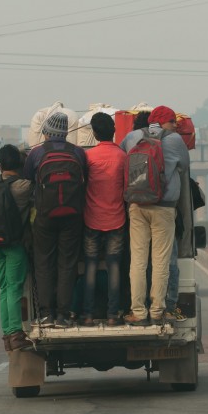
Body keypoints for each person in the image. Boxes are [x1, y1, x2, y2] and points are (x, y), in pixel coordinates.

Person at [120, 105, 190, 326]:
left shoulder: (132, 137)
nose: (175, 126)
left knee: (138, 261)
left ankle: (138, 313)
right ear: (163, 123)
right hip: (164, 207)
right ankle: (158, 310)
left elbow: (122, 161)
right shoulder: (175, 140)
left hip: (137, 206)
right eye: (172, 122)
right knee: (161, 261)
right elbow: (185, 166)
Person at [23, 112, 88, 328]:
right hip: (73, 216)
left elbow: (28, 181)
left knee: (44, 263)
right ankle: (63, 315)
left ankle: (46, 314)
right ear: (65, 133)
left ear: (47, 132)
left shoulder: (36, 153)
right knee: (67, 264)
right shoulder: (78, 153)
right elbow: (84, 180)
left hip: (44, 217)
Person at [0, 144, 34, 351]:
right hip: (15, 245)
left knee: (4, 288)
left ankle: (7, 334)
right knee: (15, 288)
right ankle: (16, 333)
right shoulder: (24, 186)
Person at [80, 112, 127, 326]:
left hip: (91, 220)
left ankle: (88, 315)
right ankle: (112, 314)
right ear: (114, 132)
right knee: (114, 266)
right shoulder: (122, 156)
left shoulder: (88, 158)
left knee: (90, 266)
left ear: (95, 134)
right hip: (117, 219)